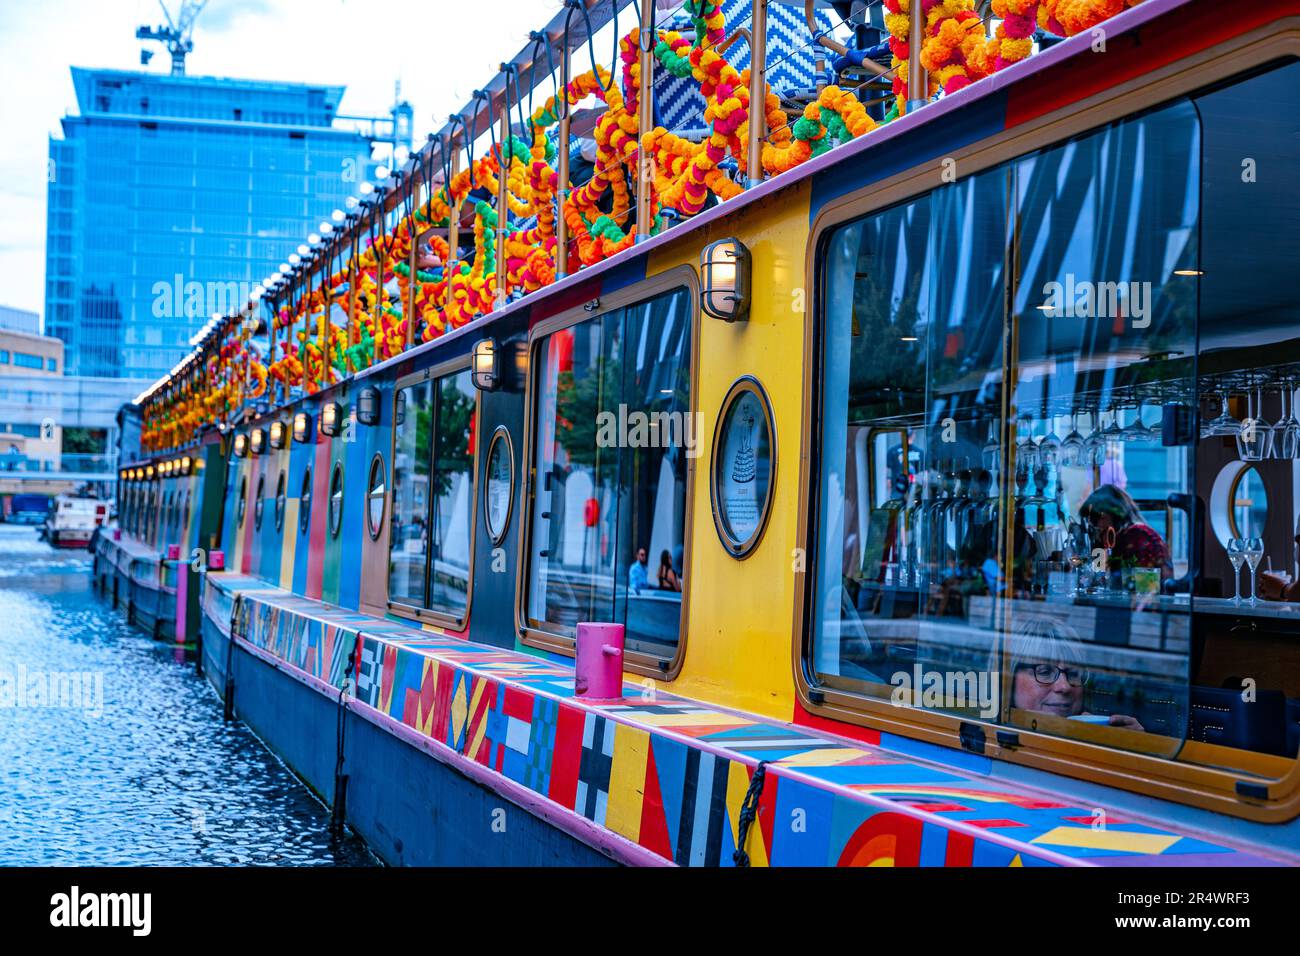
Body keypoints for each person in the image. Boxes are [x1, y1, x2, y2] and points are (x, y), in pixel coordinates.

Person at [1000, 618, 1144, 730]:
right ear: (1009, 679)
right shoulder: (992, 739)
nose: (1065, 686)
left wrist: (1135, 746)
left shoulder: (1093, 735)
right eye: (1045, 672)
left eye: (1073, 673)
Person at [1080, 484, 1171, 578]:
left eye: (1095, 519)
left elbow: (1128, 583)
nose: (1096, 527)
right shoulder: (1128, 535)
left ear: (1108, 515)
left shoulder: (1135, 537)